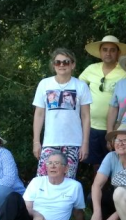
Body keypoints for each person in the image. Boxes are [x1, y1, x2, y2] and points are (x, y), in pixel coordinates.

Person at [32, 48, 91, 179]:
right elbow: (39, 114)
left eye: (66, 62)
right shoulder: (44, 84)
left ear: (73, 64)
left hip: (73, 143)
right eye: (58, 62)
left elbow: (86, 116)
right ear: (53, 65)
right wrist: (36, 142)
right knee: (43, 179)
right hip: (50, 142)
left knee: (67, 180)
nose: (62, 65)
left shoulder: (81, 86)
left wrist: (85, 143)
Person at [79, 35, 126, 166]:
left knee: (116, 162)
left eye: (112, 50)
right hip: (91, 126)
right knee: (96, 164)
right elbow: (78, 89)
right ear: (100, 52)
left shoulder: (125, 72)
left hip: (115, 127)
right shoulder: (91, 69)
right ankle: (97, 181)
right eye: (105, 49)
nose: (108, 53)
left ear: (118, 53)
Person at [89, 123, 126, 220]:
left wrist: (114, 217)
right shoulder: (111, 156)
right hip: (115, 197)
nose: (120, 143)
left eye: (125, 141)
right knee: (92, 197)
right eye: (117, 140)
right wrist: (97, 212)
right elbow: (96, 185)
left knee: (121, 196)